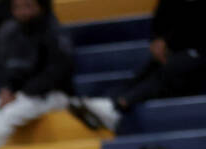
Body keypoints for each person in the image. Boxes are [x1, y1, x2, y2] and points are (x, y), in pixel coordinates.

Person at [69, 0, 206, 133]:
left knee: (173, 68)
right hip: (176, 50)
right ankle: (108, 101)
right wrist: (159, 39)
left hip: (196, 56)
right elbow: (162, 16)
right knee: (147, 70)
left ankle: (119, 105)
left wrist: (169, 42)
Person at [0, 0, 74, 148]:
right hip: (18, 95)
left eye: (28, 6)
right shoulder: (10, 32)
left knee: (9, 115)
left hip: (52, 95)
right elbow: (3, 67)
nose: (23, 12)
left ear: (42, 8)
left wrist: (23, 93)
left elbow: (57, 73)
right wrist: (6, 89)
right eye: (18, 8)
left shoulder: (55, 33)